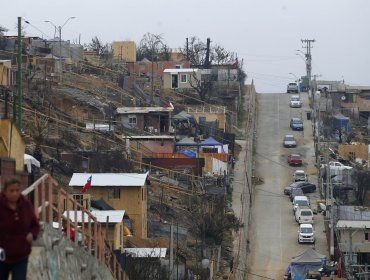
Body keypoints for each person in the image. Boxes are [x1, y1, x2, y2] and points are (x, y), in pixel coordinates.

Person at [0, 177, 40, 280]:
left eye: (17, 190)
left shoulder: (25, 205)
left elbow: (35, 224)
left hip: (21, 255)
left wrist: (32, 234)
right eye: (11, 190)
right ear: (5, 191)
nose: (15, 193)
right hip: (2, 255)